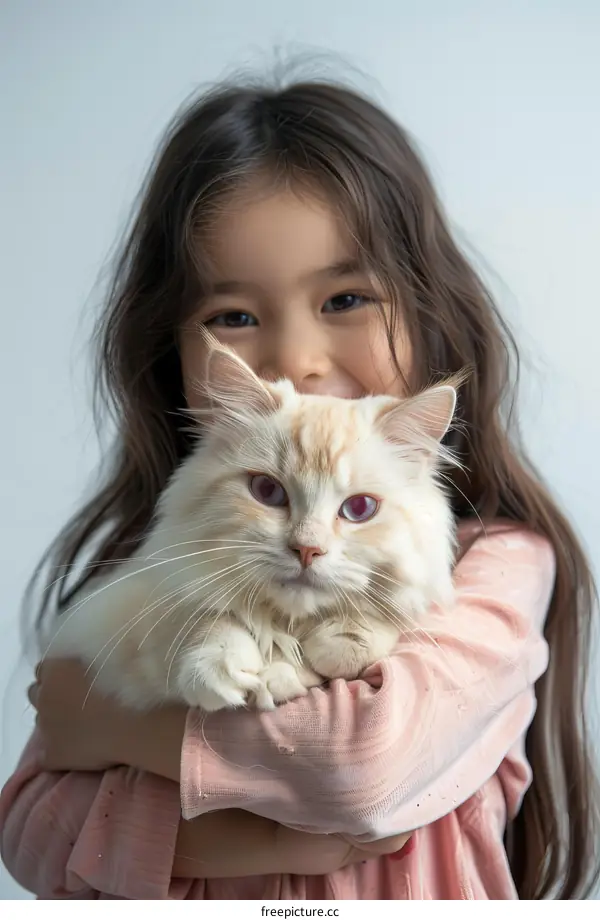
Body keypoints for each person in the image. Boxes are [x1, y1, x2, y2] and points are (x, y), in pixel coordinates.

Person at [1, 77, 598, 901]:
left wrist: (105, 727)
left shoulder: (493, 565)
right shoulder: (164, 559)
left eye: (345, 299)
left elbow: (359, 768)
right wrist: (281, 829)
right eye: (235, 316)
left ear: (431, 310)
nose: (297, 361)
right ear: (168, 347)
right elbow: (29, 833)